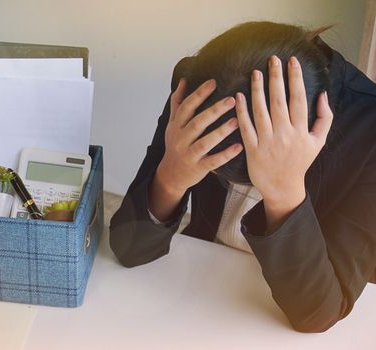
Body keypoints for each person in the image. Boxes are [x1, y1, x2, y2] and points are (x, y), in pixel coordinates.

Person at [109, 21, 376, 333]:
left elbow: (317, 314)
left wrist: (285, 193)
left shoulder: (368, 130)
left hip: (284, 314)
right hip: (197, 290)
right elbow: (129, 247)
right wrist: (171, 177)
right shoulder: (199, 87)